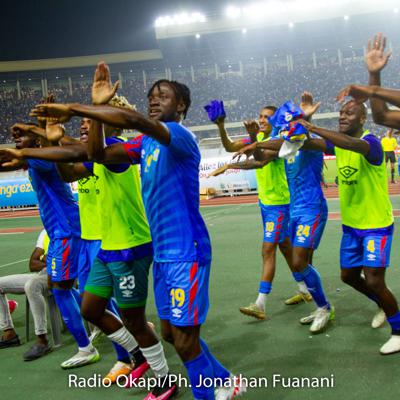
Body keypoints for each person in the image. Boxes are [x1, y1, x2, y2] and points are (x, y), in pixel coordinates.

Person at [30, 63, 245, 400]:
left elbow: (133, 121)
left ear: (181, 105)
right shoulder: (145, 145)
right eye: (151, 97)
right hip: (163, 256)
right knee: (171, 335)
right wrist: (94, 114)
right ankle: (225, 380)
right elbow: (97, 154)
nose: (154, 100)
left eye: (163, 96)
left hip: (186, 252)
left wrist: (78, 108)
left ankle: (208, 392)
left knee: (184, 340)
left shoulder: (179, 136)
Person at [222, 93, 334, 334]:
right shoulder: (287, 147)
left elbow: (294, 139)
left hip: (312, 208)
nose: (283, 128)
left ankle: (324, 307)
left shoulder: (309, 141)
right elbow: (264, 157)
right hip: (294, 210)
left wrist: (257, 142)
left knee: (298, 260)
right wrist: (256, 143)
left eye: (285, 124)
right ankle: (314, 300)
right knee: (301, 260)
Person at [298, 99, 400, 355]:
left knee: (374, 280)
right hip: (352, 226)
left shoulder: (371, 143)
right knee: (349, 276)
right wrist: (303, 123)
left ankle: (398, 331)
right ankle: (382, 303)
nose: (342, 116)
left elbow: (352, 144)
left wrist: (314, 127)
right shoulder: (337, 143)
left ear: (363, 119)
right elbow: (307, 143)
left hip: (376, 225)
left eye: (349, 113)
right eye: (341, 113)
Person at [1, 120, 99, 369]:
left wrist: (40, 136)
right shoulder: (38, 159)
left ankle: (85, 347)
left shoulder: (41, 159)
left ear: (36, 141)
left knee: (61, 289)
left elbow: (15, 159)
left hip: (66, 232)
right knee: (78, 289)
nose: (17, 140)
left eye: (23, 136)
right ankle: (113, 325)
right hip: (64, 231)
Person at [204, 100, 311, 321]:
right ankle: (305, 288)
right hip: (266, 204)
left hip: (280, 204)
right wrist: (221, 126)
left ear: (276, 120)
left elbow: (260, 161)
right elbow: (229, 147)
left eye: (267, 117)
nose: (262, 120)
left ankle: (260, 303)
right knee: (285, 247)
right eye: (260, 116)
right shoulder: (260, 138)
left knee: (267, 249)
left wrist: (232, 164)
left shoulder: (280, 141)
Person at [0, 229, 52, 360]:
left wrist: (45, 259)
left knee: (32, 286)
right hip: (42, 274)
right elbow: (32, 264)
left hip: (63, 277)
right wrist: (50, 261)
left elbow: (67, 262)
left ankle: (42, 340)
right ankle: (9, 334)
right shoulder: (45, 232)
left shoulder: (71, 228)